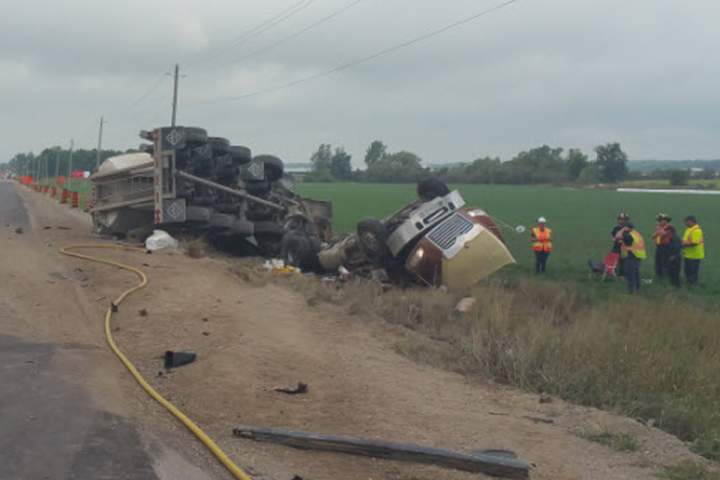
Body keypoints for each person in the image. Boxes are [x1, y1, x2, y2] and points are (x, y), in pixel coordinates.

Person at [616, 222, 646, 294]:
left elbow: (617, 236)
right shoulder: (636, 234)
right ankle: (638, 289)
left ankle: (632, 290)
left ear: (628, 228)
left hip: (633, 255)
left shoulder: (629, 235)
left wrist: (622, 230)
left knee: (630, 273)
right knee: (636, 273)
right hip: (638, 255)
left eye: (625, 227)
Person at [682, 215, 705, 286]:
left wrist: (682, 244)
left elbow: (694, 243)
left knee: (693, 272)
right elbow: (685, 240)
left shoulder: (697, 230)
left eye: (686, 222)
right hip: (688, 255)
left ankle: (693, 285)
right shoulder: (688, 229)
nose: (685, 223)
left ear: (691, 221)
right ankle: (689, 284)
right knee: (687, 271)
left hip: (695, 256)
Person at [652, 213, 674, 279]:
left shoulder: (669, 227)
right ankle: (659, 276)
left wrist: (658, 230)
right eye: (658, 220)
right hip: (659, 247)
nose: (659, 222)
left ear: (665, 220)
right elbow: (653, 236)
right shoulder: (660, 227)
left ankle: (665, 277)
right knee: (658, 262)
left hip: (666, 247)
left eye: (660, 220)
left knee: (664, 263)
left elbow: (663, 234)